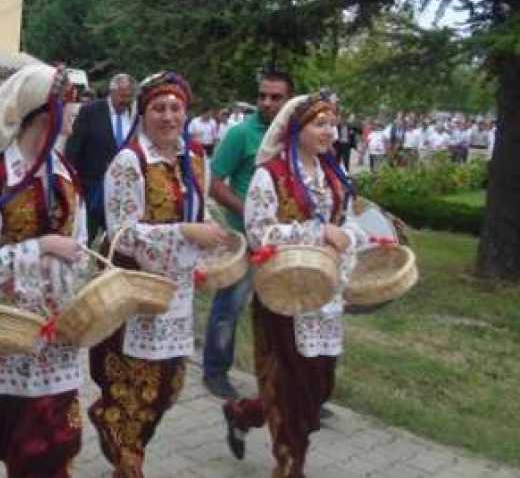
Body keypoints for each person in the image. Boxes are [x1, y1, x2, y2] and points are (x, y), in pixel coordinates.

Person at [88, 71, 229, 477]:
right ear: (143, 114)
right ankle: (128, 461)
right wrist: (184, 232)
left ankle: (123, 443)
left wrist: (212, 239)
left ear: (186, 112)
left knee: (166, 385)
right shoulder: (130, 160)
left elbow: (200, 213)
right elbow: (123, 233)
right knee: (131, 385)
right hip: (134, 288)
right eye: (158, 108)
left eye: (176, 108)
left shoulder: (195, 157)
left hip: (176, 291)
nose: (168, 116)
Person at [0, 64, 89, 477]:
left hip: (56, 332)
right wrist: (41, 247)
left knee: (52, 442)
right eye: (71, 103)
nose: (78, 112)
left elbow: (78, 247)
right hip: (5, 334)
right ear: (45, 112)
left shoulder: (65, 175)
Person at [222, 91, 366, 478]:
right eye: (320, 124)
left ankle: (243, 412)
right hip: (282, 295)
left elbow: (348, 224)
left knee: (317, 386)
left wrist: (352, 239)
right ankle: (289, 467)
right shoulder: (271, 175)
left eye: (332, 124)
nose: (330, 132)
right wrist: (318, 233)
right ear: (297, 129)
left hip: (323, 296)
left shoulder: (334, 175)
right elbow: (259, 232)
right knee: (289, 387)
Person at [201, 69, 293, 400]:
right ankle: (214, 371)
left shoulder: (294, 136)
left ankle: (281, 382)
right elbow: (213, 182)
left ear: (288, 101)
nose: (266, 103)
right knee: (229, 308)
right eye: (262, 96)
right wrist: (249, 212)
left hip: (283, 243)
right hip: (244, 239)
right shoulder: (241, 134)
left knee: (281, 314)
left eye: (275, 97)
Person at [65, 72, 137, 242]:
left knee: (115, 239)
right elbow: (73, 148)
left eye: (129, 97)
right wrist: (72, 181)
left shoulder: (134, 117)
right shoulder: (91, 111)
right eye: (122, 95)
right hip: (91, 187)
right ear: (112, 92)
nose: (125, 101)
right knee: (86, 237)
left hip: (121, 191)